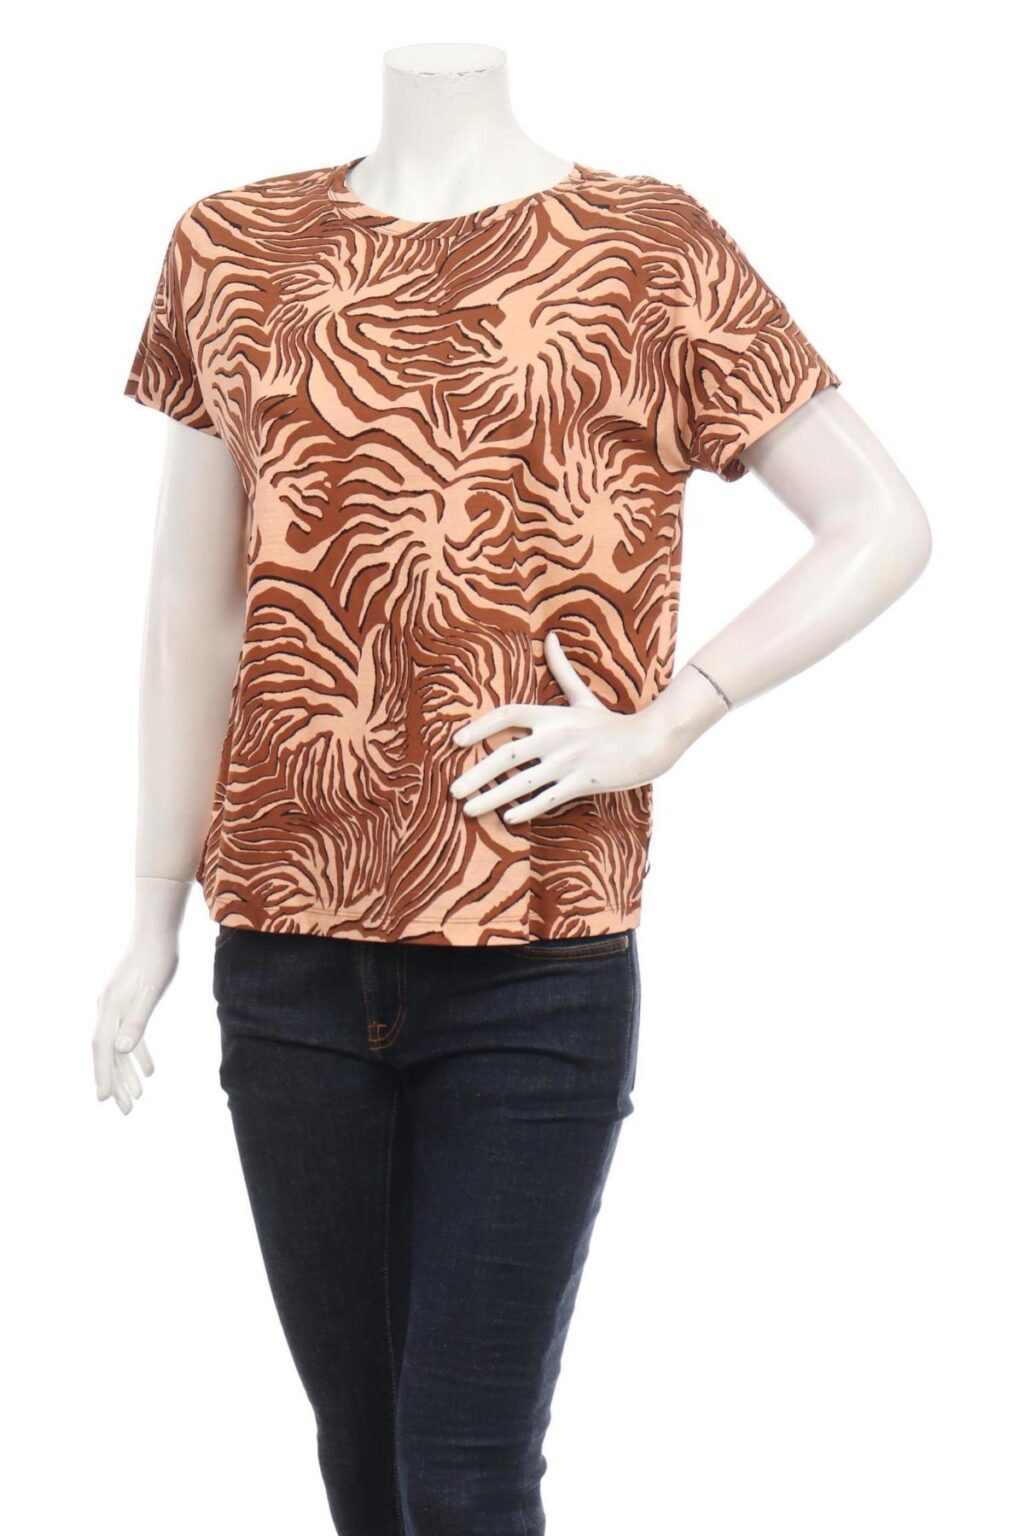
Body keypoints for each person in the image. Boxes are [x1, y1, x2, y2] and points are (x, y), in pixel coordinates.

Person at [93, 40, 931, 1536]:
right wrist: (153, 910)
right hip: (284, 955)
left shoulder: (648, 245)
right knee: (363, 1461)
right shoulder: (232, 246)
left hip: (537, 955)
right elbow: (191, 606)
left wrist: (669, 722)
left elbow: (879, 521)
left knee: (466, 1472)